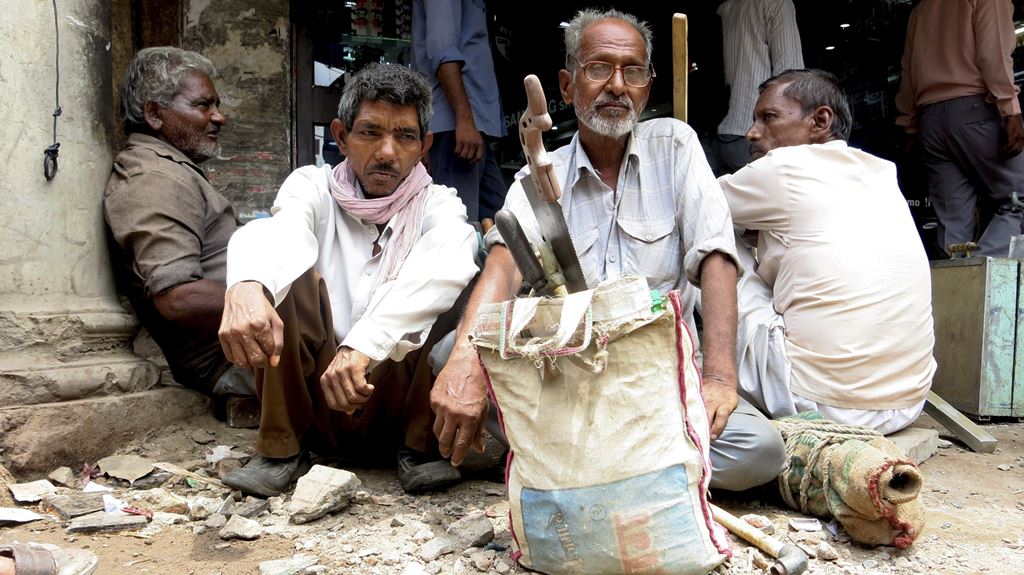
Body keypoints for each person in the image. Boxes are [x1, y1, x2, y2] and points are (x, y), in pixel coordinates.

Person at [432, 8, 786, 492]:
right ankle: (633, 465)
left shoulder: (677, 147)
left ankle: (563, 460)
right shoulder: (538, 173)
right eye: (599, 69)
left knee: (756, 450)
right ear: (565, 85)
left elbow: (718, 259)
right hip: (564, 379)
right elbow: (504, 264)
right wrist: (466, 366)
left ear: (646, 84)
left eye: (633, 70)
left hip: (658, 385)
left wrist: (719, 378)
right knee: (452, 355)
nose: (617, 85)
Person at [217, 64, 479, 496]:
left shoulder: (439, 205)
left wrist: (362, 347)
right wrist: (247, 284)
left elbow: (446, 262)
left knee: (456, 278)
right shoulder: (312, 187)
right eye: (370, 133)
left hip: (394, 401)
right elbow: (280, 234)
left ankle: (420, 448)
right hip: (317, 401)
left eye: (405, 136)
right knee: (284, 278)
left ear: (424, 146)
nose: (388, 152)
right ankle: (282, 448)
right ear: (340, 137)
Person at [719, 69, 936, 434]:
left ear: (820, 120)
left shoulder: (783, 167)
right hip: (907, 401)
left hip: (823, 404)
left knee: (712, 243)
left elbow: (694, 205)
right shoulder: (881, 172)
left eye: (768, 117)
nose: (752, 133)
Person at [104, 47, 256, 399]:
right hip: (232, 362)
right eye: (204, 106)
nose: (219, 117)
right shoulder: (154, 177)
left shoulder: (172, 170)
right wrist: (273, 300)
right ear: (155, 113)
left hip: (249, 352)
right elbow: (179, 297)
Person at [895, 0, 1024, 257]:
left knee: (952, 220)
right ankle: (980, 275)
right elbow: (993, 53)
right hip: (976, 111)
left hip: (931, 121)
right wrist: (1010, 109)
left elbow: (907, 72)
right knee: (1018, 200)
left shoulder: (922, 9)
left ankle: (952, 288)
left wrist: (909, 124)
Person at [412, 0, 507, 223]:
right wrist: (464, 120)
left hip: (470, 127)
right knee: (455, 227)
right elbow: (442, 50)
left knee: (502, 226)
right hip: (454, 128)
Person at [713, 0, 804, 175]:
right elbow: (791, 79)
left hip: (723, 138)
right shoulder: (777, 4)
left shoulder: (725, 8)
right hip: (758, 137)